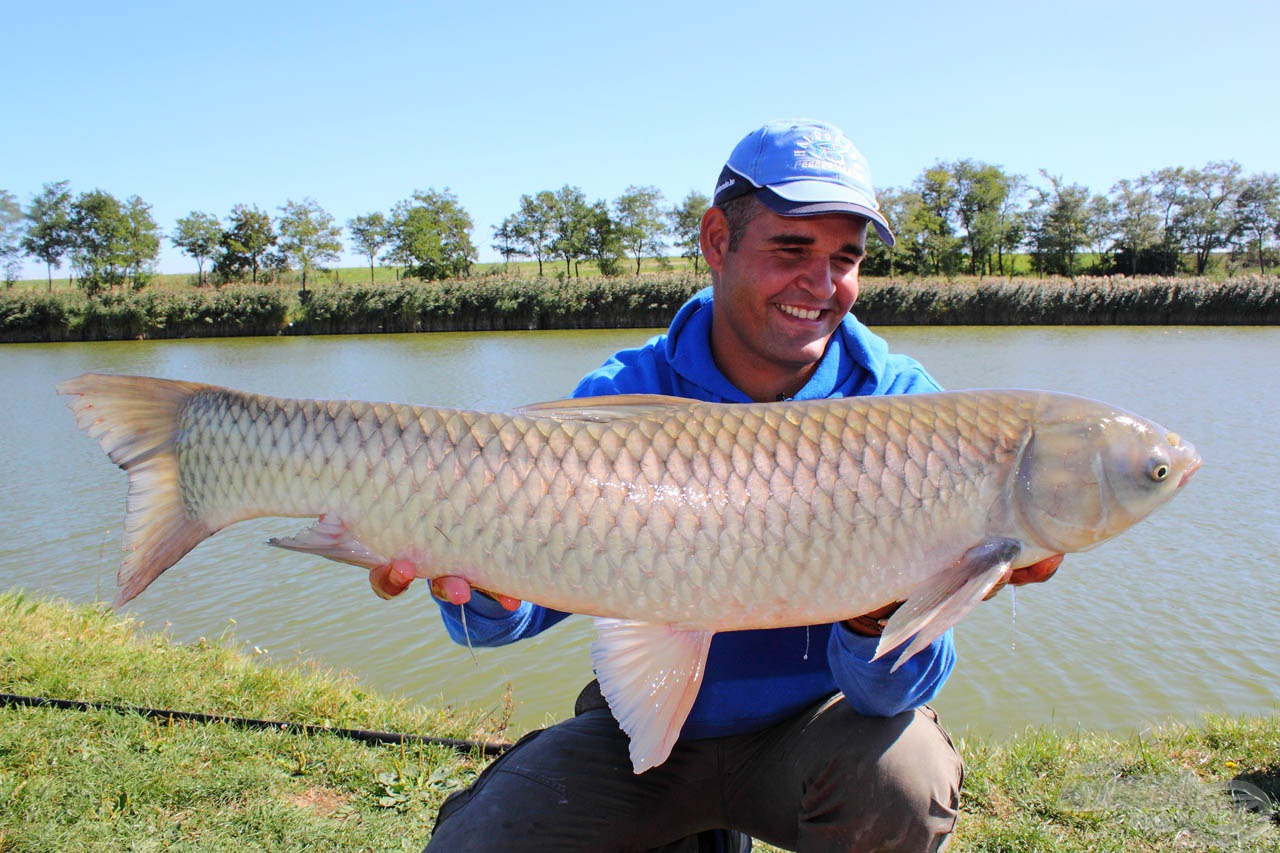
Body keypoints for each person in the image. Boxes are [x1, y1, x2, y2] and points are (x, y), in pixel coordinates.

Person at [369, 119, 1062, 852]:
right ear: (716, 242)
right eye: (792, 249)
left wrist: (872, 620)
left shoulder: (905, 410)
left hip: (812, 733)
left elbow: (886, 696)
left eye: (845, 258)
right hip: (648, 726)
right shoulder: (629, 391)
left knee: (905, 777)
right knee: (478, 843)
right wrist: (488, 590)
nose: (822, 284)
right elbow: (509, 617)